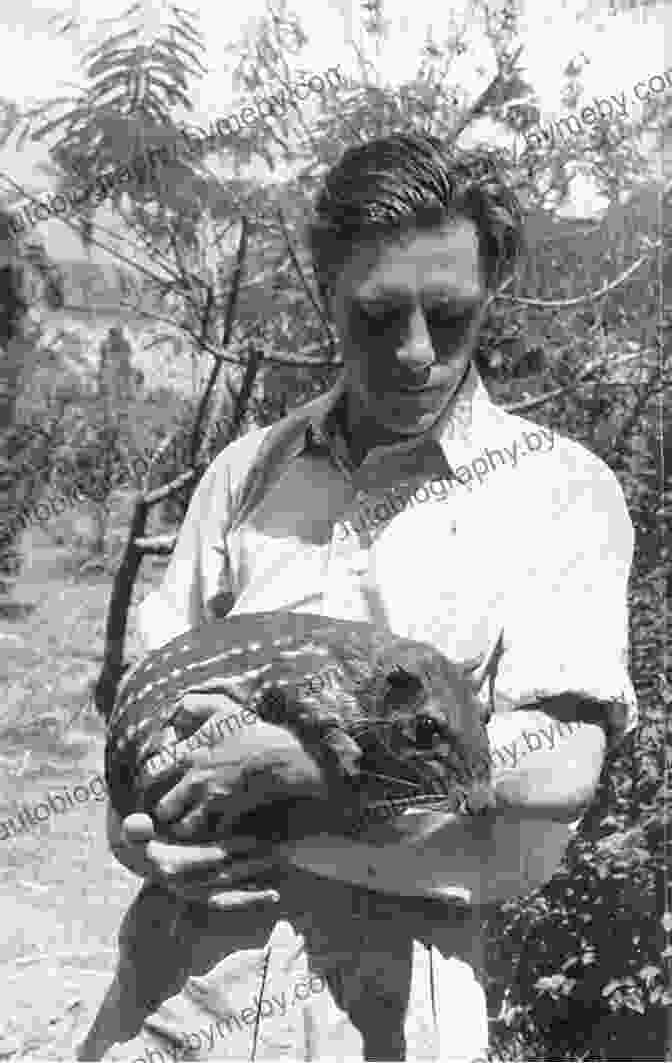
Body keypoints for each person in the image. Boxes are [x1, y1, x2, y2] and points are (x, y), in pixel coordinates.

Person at [89, 133, 636, 1061]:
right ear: (325, 290)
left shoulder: (558, 489)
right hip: (180, 986)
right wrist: (144, 838)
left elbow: (564, 759)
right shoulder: (245, 475)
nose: (417, 353)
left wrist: (310, 775)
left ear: (490, 294)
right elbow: (139, 740)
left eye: (450, 315)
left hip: (389, 1004)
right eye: (377, 317)